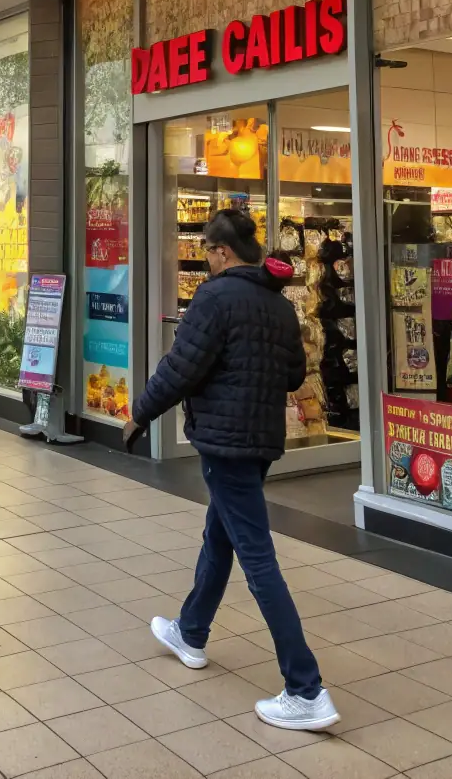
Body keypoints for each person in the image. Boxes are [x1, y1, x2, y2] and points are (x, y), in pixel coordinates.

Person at [123, 208, 339, 732]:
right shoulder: (278, 303)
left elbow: (181, 367)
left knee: (256, 556)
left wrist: (139, 413)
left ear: (221, 252)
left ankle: (306, 688)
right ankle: (191, 632)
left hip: (225, 442)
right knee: (220, 536)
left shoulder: (215, 298)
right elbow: (292, 375)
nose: (207, 262)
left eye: (207, 254)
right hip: (260, 441)